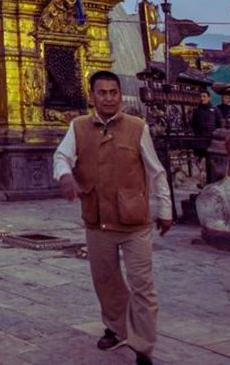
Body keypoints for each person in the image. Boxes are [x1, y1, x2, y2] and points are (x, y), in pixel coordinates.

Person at [54, 70, 172, 365]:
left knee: (142, 285)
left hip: (134, 220)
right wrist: (65, 175)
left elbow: (156, 171)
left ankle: (143, 347)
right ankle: (117, 328)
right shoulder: (78, 127)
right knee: (105, 280)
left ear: (120, 95)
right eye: (102, 93)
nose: (108, 98)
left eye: (113, 92)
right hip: (97, 219)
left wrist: (166, 209)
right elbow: (61, 156)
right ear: (92, 96)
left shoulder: (137, 127)